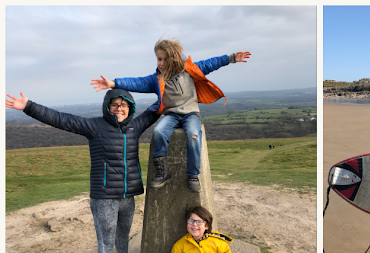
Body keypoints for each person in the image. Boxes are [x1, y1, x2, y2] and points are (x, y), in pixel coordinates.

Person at [5, 89, 159, 253]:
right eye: (114, 104)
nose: (119, 108)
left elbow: (158, 109)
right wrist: (29, 106)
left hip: (128, 194)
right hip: (104, 196)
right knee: (106, 243)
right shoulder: (95, 126)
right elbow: (61, 119)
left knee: (123, 232)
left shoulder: (135, 125)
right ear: (107, 107)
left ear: (130, 108)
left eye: (124, 105)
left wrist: (176, 86)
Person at [91, 39, 251, 193]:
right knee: (159, 131)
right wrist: (112, 83)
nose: (160, 63)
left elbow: (211, 63)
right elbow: (136, 82)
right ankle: (162, 173)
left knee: (193, 135)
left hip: (191, 114)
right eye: (158, 59)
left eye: (164, 59)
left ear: (174, 59)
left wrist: (231, 58)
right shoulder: (156, 79)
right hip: (171, 115)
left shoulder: (189, 69)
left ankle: (193, 175)